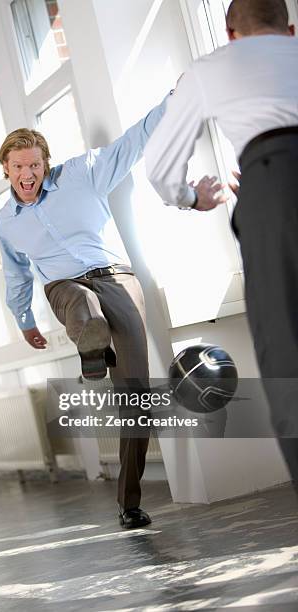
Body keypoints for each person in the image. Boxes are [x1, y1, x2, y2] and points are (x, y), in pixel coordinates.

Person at [0, 97, 220, 528]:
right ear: (5, 168)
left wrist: (176, 100)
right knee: (81, 303)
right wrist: (24, 320)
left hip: (117, 279)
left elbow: (133, 141)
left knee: (135, 398)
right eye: (19, 167)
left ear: (46, 163)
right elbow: (16, 275)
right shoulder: (7, 222)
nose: (28, 175)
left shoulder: (83, 173)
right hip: (64, 289)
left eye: (35, 166)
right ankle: (92, 339)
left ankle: (129, 504)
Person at [145, 0, 298, 488]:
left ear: (230, 33)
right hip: (270, 179)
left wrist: (194, 196)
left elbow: (159, 168)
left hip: (270, 194)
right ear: (290, 29)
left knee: (288, 360)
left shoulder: (210, 69)